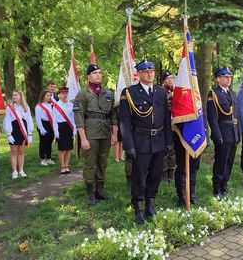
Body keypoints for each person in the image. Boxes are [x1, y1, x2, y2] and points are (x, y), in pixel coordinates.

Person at [119, 60, 172, 224]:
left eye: (152, 71)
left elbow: (166, 119)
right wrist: (129, 145)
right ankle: (138, 208)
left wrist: (169, 142)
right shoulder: (129, 92)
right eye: (146, 71)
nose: (150, 74)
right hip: (140, 141)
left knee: (156, 175)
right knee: (139, 177)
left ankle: (150, 204)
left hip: (159, 140)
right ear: (139, 74)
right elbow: (125, 122)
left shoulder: (161, 92)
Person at [74, 64, 118, 205]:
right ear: (88, 76)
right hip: (90, 133)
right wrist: (83, 138)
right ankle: (90, 192)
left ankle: (100, 190)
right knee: (90, 163)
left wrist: (114, 134)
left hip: (105, 132)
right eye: (94, 73)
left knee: (102, 162)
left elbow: (113, 115)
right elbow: (79, 118)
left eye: (99, 72)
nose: (98, 75)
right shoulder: (82, 94)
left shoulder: (108, 93)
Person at [207, 67, 240, 196]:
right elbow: (212, 117)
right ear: (218, 79)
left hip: (233, 132)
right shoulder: (213, 94)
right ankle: (217, 187)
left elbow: (236, 115)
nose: (228, 79)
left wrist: (239, 132)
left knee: (230, 160)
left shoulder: (232, 94)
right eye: (225, 77)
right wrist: (217, 134)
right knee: (221, 161)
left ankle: (225, 184)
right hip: (222, 132)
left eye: (230, 77)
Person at [3, 89, 33, 179]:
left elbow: (29, 120)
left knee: (21, 151)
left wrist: (30, 133)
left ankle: (21, 170)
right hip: (14, 130)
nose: (14, 97)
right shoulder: (9, 107)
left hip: (22, 131)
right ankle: (14, 171)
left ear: (21, 96)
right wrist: (9, 134)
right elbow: (7, 120)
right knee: (14, 151)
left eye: (16, 95)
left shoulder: (26, 107)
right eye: (13, 95)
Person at [53, 86, 76, 174]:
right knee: (61, 148)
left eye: (66, 93)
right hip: (60, 127)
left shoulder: (71, 105)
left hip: (69, 127)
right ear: (59, 95)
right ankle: (62, 166)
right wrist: (56, 131)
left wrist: (74, 129)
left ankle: (67, 165)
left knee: (69, 148)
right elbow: (54, 120)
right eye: (62, 93)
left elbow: (73, 118)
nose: (65, 95)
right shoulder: (56, 106)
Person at [160, 70, 176, 182]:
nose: (170, 80)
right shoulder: (160, 92)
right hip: (163, 123)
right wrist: (169, 97)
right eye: (168, 79)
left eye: (172, 78)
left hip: (174, 123)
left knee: (172, 150)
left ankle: (171, 171)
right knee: (164, 149)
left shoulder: (177, 91)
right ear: (163, 81)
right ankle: (164, 173)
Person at [35, 89, 56, 166]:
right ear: (43, 96)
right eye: (47, 95)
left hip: (50, 124)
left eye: (50, 96)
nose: (49, 97)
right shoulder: (39, 106)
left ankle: (48, 158)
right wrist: (41, 128)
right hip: (43, 124)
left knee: (49, 141)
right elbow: (38, 119)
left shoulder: (51, 105)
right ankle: (42, 158)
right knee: (43, 142)